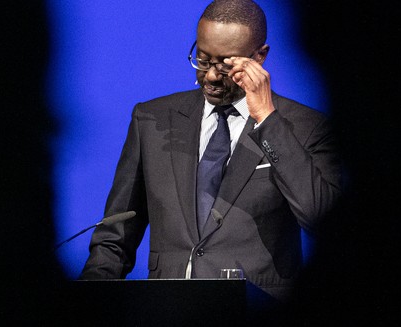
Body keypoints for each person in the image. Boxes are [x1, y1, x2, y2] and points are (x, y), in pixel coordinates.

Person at [80, 0, 341, 303]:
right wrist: (87, 303)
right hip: (168, 312)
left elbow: (322, 220)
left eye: (227, 64)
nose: (212, 76)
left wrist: (268, 121)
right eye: (203, 60)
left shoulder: (305, 127)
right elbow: (114, 238)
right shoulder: (151, 120)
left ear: (260, 57)